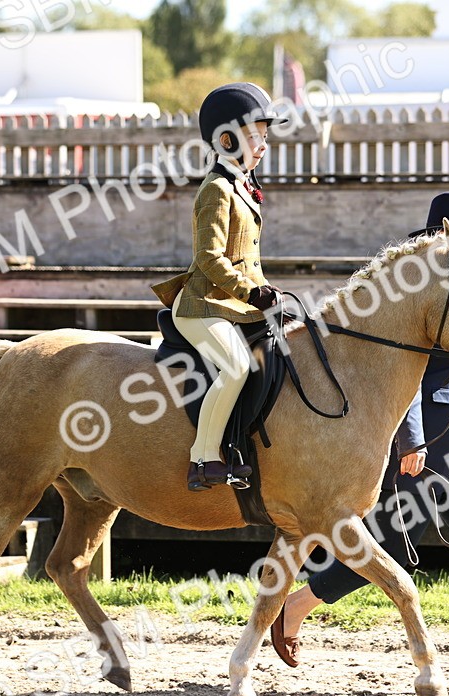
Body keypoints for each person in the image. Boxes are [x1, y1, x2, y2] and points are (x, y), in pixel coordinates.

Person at [269, 193, 449, 692]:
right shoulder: (414, 291)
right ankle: (295, 607)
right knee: (399, 546)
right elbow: (395, 378)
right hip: (426, 434)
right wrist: (410, 440)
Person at [151, 83, 285, 491]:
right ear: (227, 140)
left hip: (232, 305)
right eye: (255, 136)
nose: (263, 145)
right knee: (237, 366)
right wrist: (251, 293)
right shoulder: (216, 188)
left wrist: (268, 295)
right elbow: (210, 259)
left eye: (265, 136)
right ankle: (204, 458)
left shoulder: (242, 186)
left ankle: (241, 444)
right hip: (202, 306)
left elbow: (247, 259)